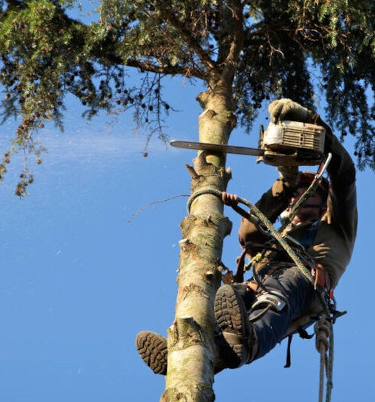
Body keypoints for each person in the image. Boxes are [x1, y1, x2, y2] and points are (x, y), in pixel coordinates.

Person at [136, 98, 357, 374]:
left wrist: (314, 124)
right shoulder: (282, 235)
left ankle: (247, 344)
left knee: (272, 302)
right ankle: (187, 353)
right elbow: (249, 234)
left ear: (323, 198)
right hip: (260, 280)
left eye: (306, 191)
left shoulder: (337, 226)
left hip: (301, 282)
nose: (299, 197)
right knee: (227, 310)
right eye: (296, 194)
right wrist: (286, 182)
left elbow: (344, 174)